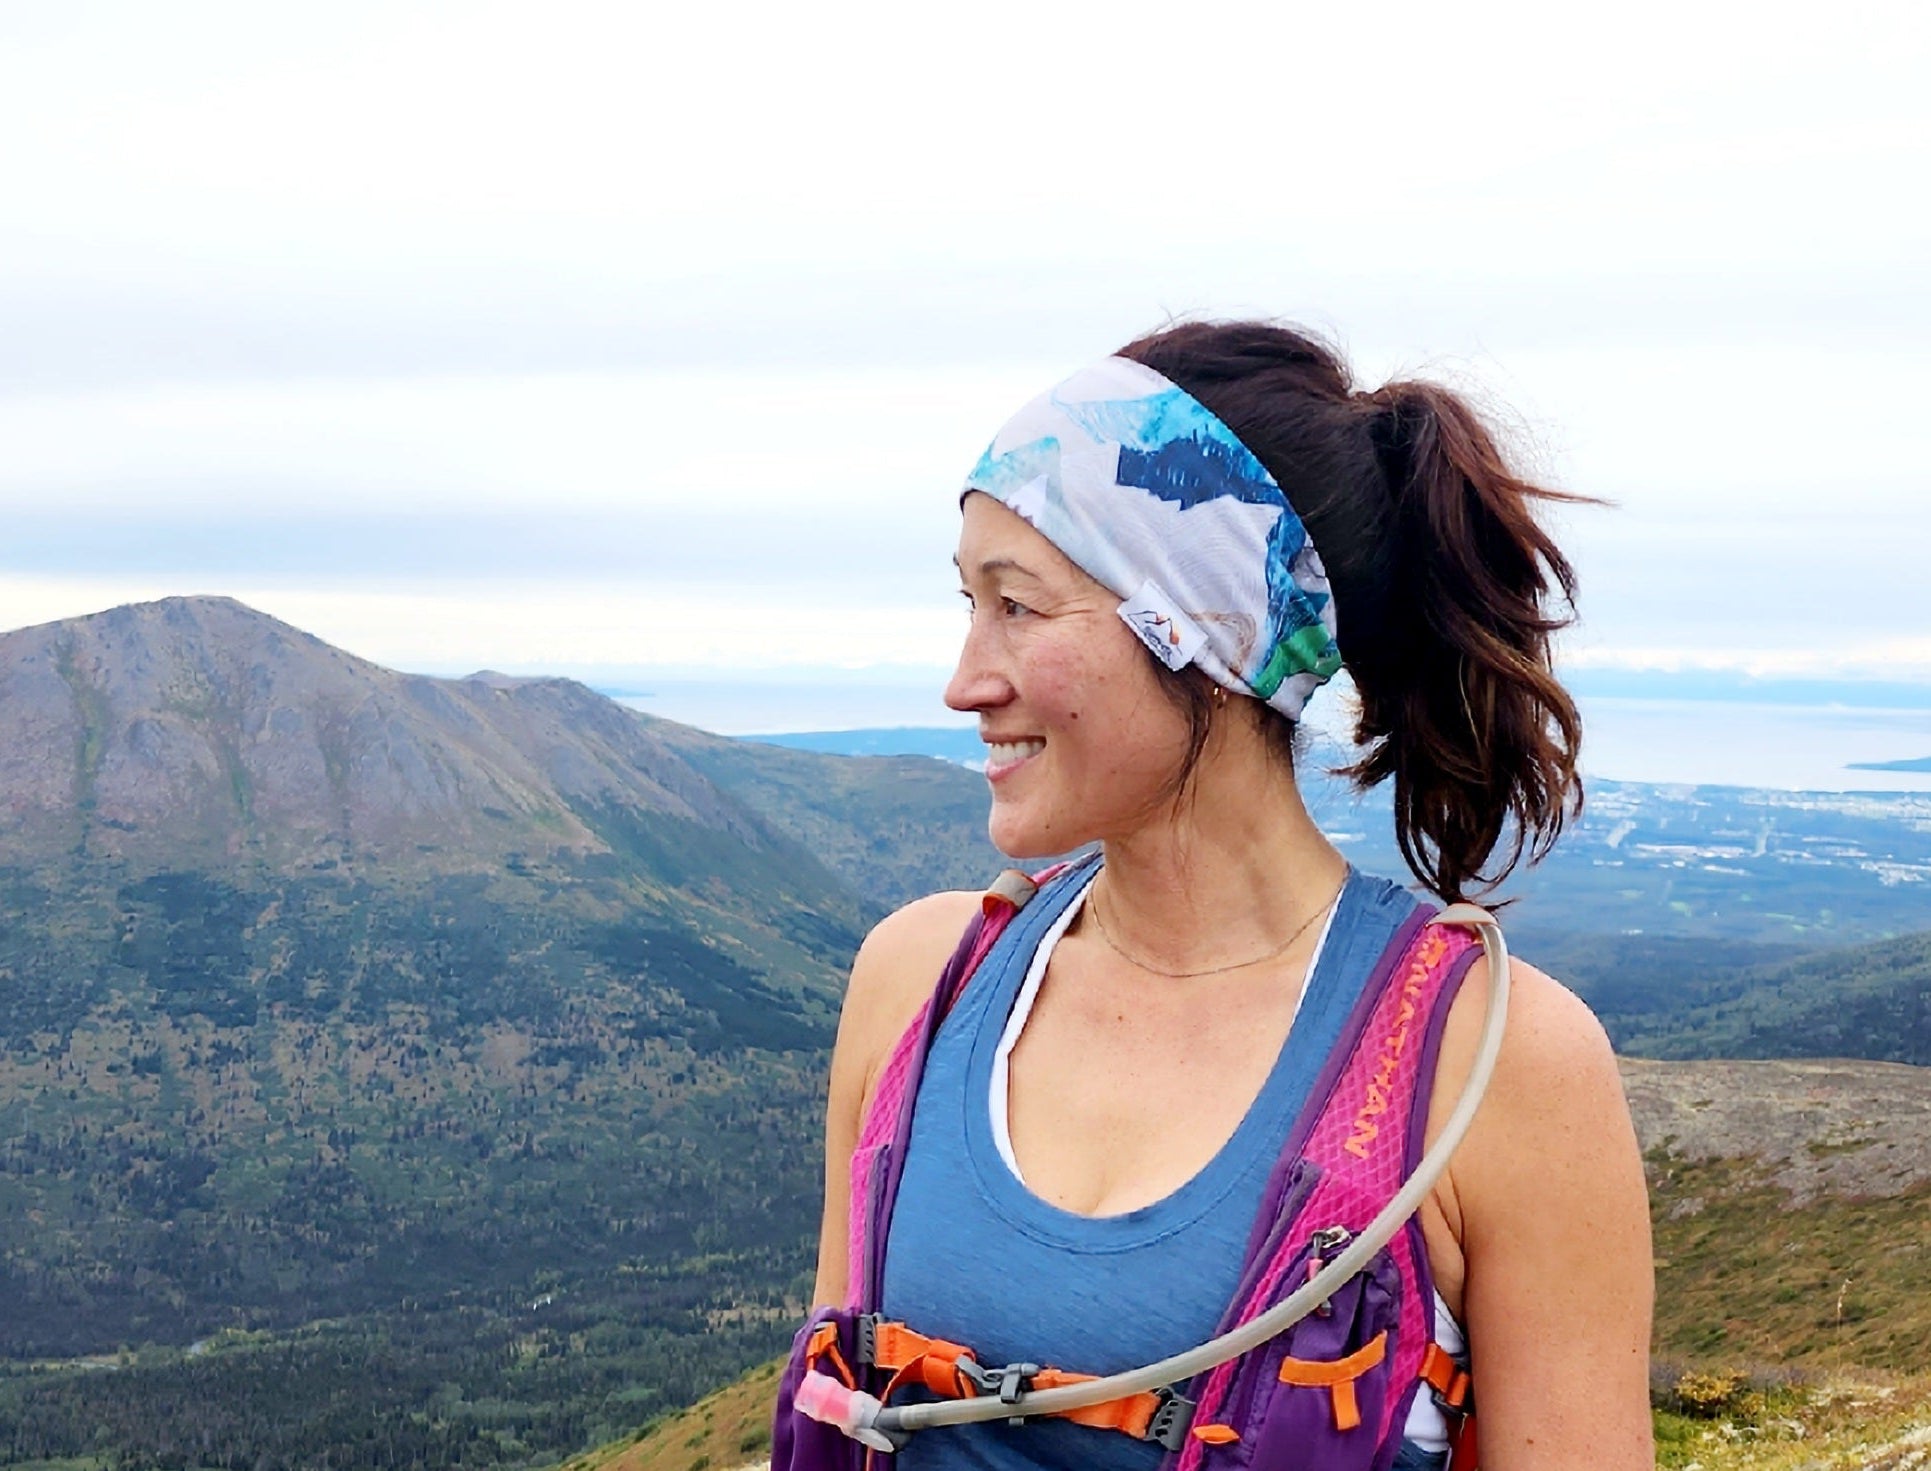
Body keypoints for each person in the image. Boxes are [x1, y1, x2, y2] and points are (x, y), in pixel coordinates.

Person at [807, 321, 1653, 1470]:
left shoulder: (1493, 1068)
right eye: (967, 601)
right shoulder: (921, 981)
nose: (964, 681)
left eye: (1017, 604)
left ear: (1199, 628)